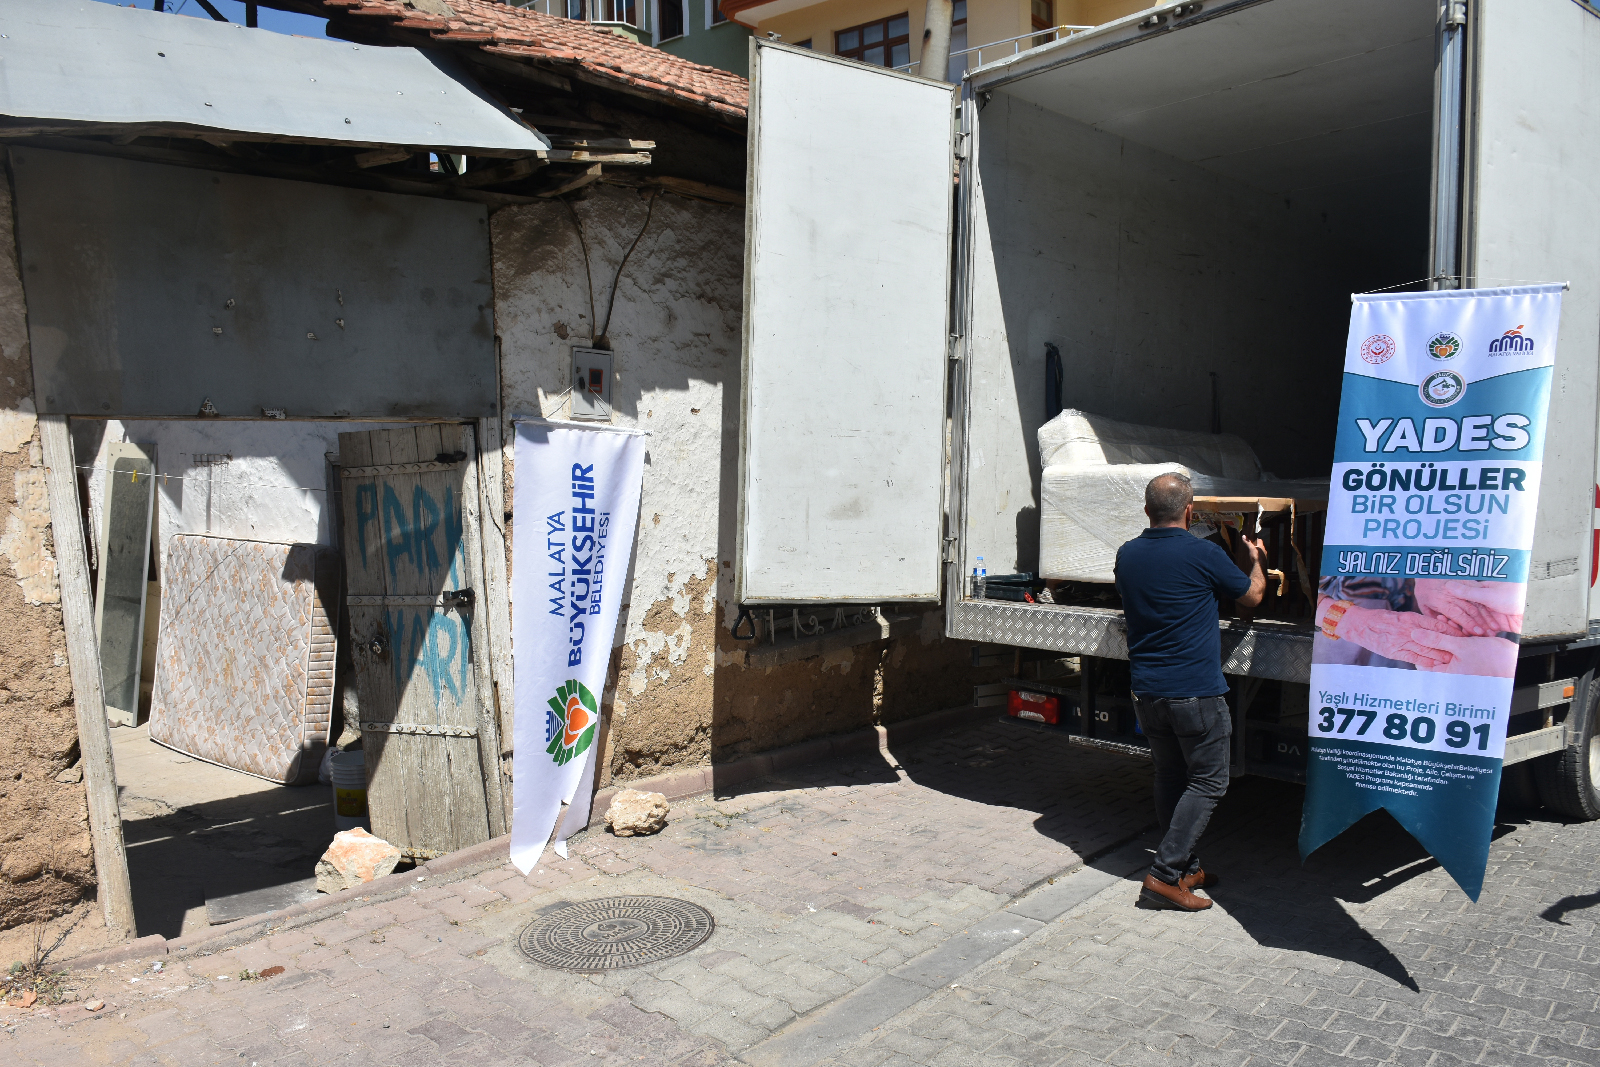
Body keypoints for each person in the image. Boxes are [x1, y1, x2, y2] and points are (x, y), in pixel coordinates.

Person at [1114, 472, 1266, 911]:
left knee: (1170, 776)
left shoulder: (1127, 555)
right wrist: (1251, 557)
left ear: (1146, 511)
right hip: (1194, 694)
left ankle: (1186, 867)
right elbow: (1252, 597)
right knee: (1210, 781)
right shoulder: (1203, 553)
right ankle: (1163, 875)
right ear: (1190, 512)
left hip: (1147, 691)